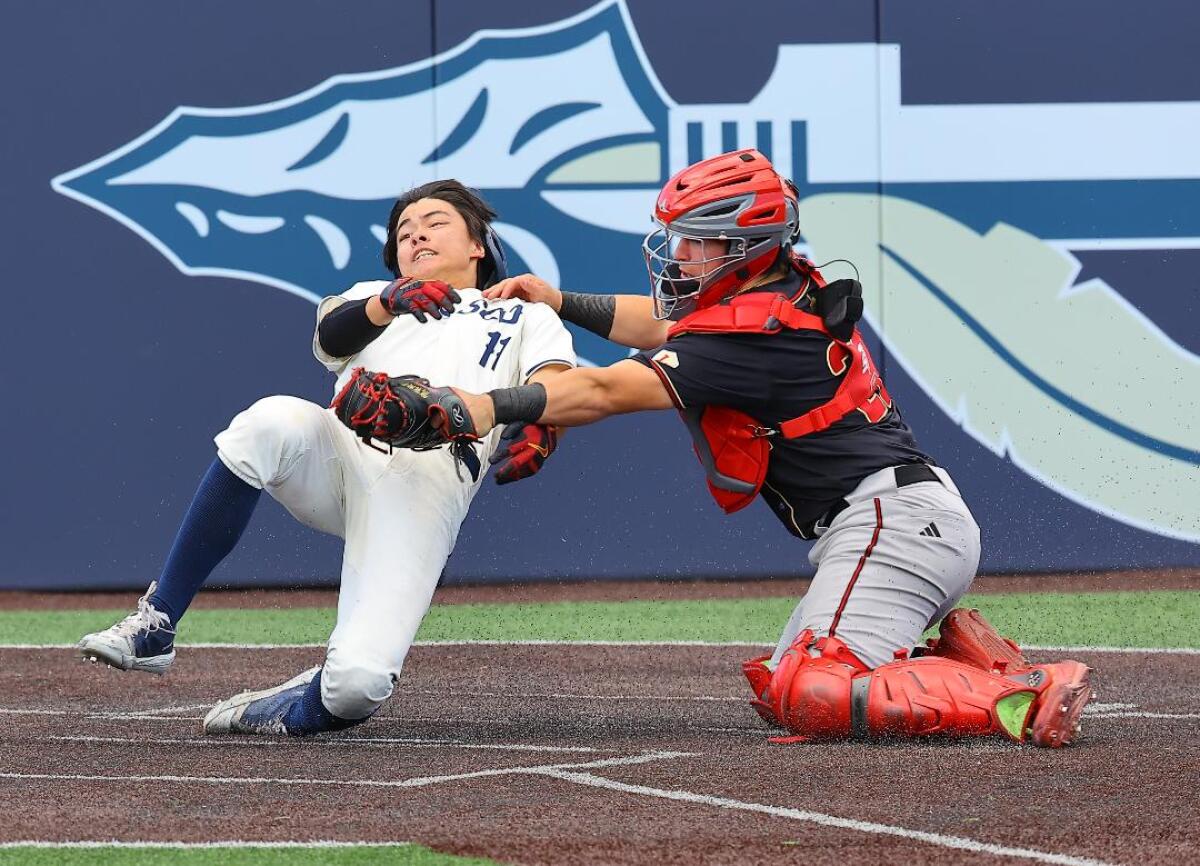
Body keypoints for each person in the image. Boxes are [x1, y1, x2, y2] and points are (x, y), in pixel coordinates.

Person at [417, 150, 1093, 747]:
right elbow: (664, 322)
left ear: (744, 244)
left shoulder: (754, 334)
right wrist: (559, 299)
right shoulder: (773, 286)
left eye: (696, 242)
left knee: (816, 690)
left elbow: (605, 392)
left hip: (894, 524)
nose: (679, 253)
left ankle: (1028, 699)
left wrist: (483, 405)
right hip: (900, 520)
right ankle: (986, 667)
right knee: (783, 691)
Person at [78, 180, 575, 736]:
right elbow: (333, 338)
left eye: (434, 223)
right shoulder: (372, 298)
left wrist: (543, 421)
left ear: (477, 245)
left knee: (357, 685)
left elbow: (552, 380)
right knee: (267, 421)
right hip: (339, 453)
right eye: (403, 234)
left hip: (427, 484)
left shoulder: (523, 314)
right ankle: (158, 623)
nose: (416, 235)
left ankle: (295, 699)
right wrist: (386, 301)